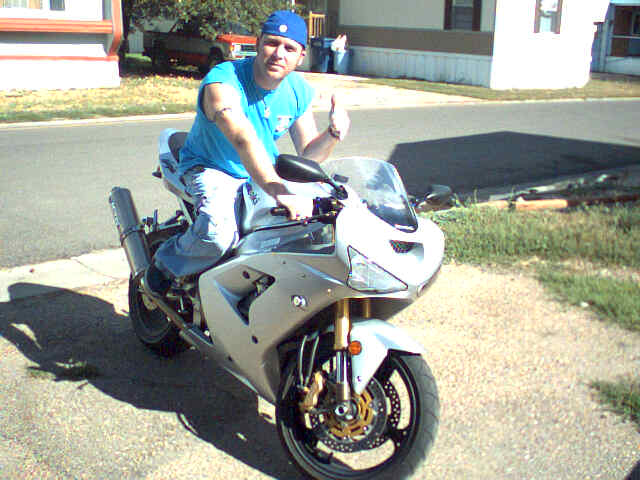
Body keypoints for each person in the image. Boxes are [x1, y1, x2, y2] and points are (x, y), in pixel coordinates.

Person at [143, 10, 350, 297]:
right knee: (219, 234)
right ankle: (164, 265)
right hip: (212, 167)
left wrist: (333, 133)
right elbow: (242, 138)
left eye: (289, 48)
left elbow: (308, 154)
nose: (279, 54)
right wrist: (279, 190)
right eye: (272, 43)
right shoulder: (223, 80)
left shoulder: (298, 90)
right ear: (258, 42)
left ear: (301, 56)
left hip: (261, 172)